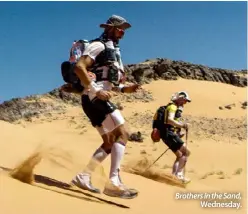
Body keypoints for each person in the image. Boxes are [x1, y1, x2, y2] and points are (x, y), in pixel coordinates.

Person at [65, 15, 140, 199]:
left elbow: (108, 81)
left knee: (109, 143)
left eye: (124, 29)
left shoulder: (114, 51)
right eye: (120, 28)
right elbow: (80, 68)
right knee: (123, 132)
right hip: (93, 98)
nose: (123, 32)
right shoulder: (99, 45)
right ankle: (114, 182)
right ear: (110, 28)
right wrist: (96, 90)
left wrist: (124, 89)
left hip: (94, 98)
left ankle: (83, 177)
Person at [151, 91, 191, 183]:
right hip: (169, 134)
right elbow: (169, 120)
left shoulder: (172, 106)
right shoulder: (172, 107)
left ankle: (173, 176)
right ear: (180, 98)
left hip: (167, 134)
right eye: (185, 100)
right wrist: (183, 125)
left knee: (179, 155)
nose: (185, 103)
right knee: (187, 152)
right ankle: (179, 176)